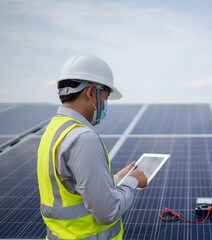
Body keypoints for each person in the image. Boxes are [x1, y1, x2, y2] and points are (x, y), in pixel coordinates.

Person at [37, 53, 147, 239]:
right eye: (105, 97)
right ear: (90, 93)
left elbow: (71, 187)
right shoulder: (83, 138)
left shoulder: (54, 130)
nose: (105, 104)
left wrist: (117, 178)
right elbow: (108, 213)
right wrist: (132, 181)